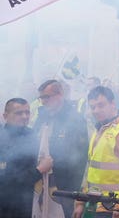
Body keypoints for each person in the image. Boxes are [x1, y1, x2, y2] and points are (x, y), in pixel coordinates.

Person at [72, 86, 119, 218]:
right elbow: (90, 172)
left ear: (113, 104)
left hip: (115, 209)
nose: (96, 110)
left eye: (101, 105)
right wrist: (80, 202)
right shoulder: (100, 130)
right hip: (95, 206)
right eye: (93, 107)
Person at [32, 79, 89, 218]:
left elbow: (79, 157)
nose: (43, 101)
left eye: (47, 97)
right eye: (41, 98)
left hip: (64, 186)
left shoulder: (75, 118)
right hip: (42, 183)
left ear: (60, 95)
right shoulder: (41, 116)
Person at [0, 98, 53, 218]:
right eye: (19, 113)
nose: (25, 116)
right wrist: (39, 170)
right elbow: (7, 181)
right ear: (5, 116)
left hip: (29, 203)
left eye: (27, 112)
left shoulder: (32, 135)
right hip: (6, 206)